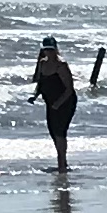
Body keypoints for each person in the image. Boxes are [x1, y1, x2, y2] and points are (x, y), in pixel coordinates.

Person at [32, 36, 78, 170]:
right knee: (53, 131)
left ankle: (61, 164)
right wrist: (35, 96)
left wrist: (58, 103)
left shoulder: (61, 65)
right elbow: (41, 83)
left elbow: (69, 88)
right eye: (47, 50)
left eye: (51, 50)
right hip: (50, 102)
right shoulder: (42, 64)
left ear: (56, 50)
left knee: (60, 131)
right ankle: (63, 161)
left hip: (65, 101)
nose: (49, 52)